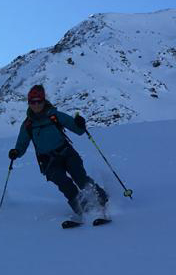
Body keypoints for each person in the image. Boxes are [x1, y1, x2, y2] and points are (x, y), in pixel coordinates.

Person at [8, 84, 109, 227]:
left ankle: (102, 200)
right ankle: (83, 209)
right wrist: (16, 152)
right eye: (33, 102)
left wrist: (80, 123)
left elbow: (78, 130)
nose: (36, 105)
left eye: (39, 101)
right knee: (65, 185)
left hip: (67, 153)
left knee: (80, 177)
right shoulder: (28, 124)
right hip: (48, 162)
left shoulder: (55, 115)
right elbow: (22, 144)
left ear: (44, 101)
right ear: (29, 103)